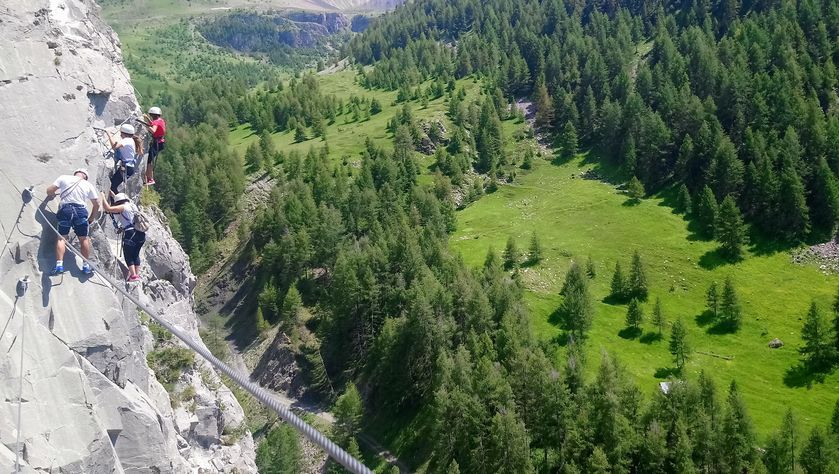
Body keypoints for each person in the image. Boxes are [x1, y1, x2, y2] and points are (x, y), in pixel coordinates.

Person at [45, 168, 99, 275]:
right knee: (83, 239)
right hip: (80, 212)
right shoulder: (88, 185)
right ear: (85, 177)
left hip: (65, 210)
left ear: (75, 173)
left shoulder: (64, 177)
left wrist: (50, 196)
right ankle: (85, 266)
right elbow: (97, 204)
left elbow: (49, 190)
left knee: (61, 238)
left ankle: (59, 265)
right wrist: (91, 217)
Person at [100, 192, 146, 282]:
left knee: (128, 255)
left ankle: (133, 275)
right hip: (141, 233)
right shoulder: (133, 206)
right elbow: (119, 199)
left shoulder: (122, 207)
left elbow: (108, 208)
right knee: (135, 254)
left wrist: (102, 196)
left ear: (118, 202)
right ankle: (136, 275)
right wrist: (113, 195)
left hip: (130, 233)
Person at [107, 123, 143, 195]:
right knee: (113, 185)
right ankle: (117, 202)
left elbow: (115, 146)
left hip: (126, 167)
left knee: (112, 186)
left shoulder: (126, 140)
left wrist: (109, 134)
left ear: (124, 133)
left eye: (121, 133)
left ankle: (117, 203)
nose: (120, 135)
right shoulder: (131, 140)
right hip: (129, 167)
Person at [142, 106, 166, 186]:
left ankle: (150, 179)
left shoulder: (156, 122)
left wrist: (146, 125)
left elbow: (153, 130)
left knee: (149, 161)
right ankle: (149, 178)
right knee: (150, 160)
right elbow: (152, 124)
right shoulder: (160, 121)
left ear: (152, 115)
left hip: (157, 143)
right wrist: (147, 119)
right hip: (160, 142)